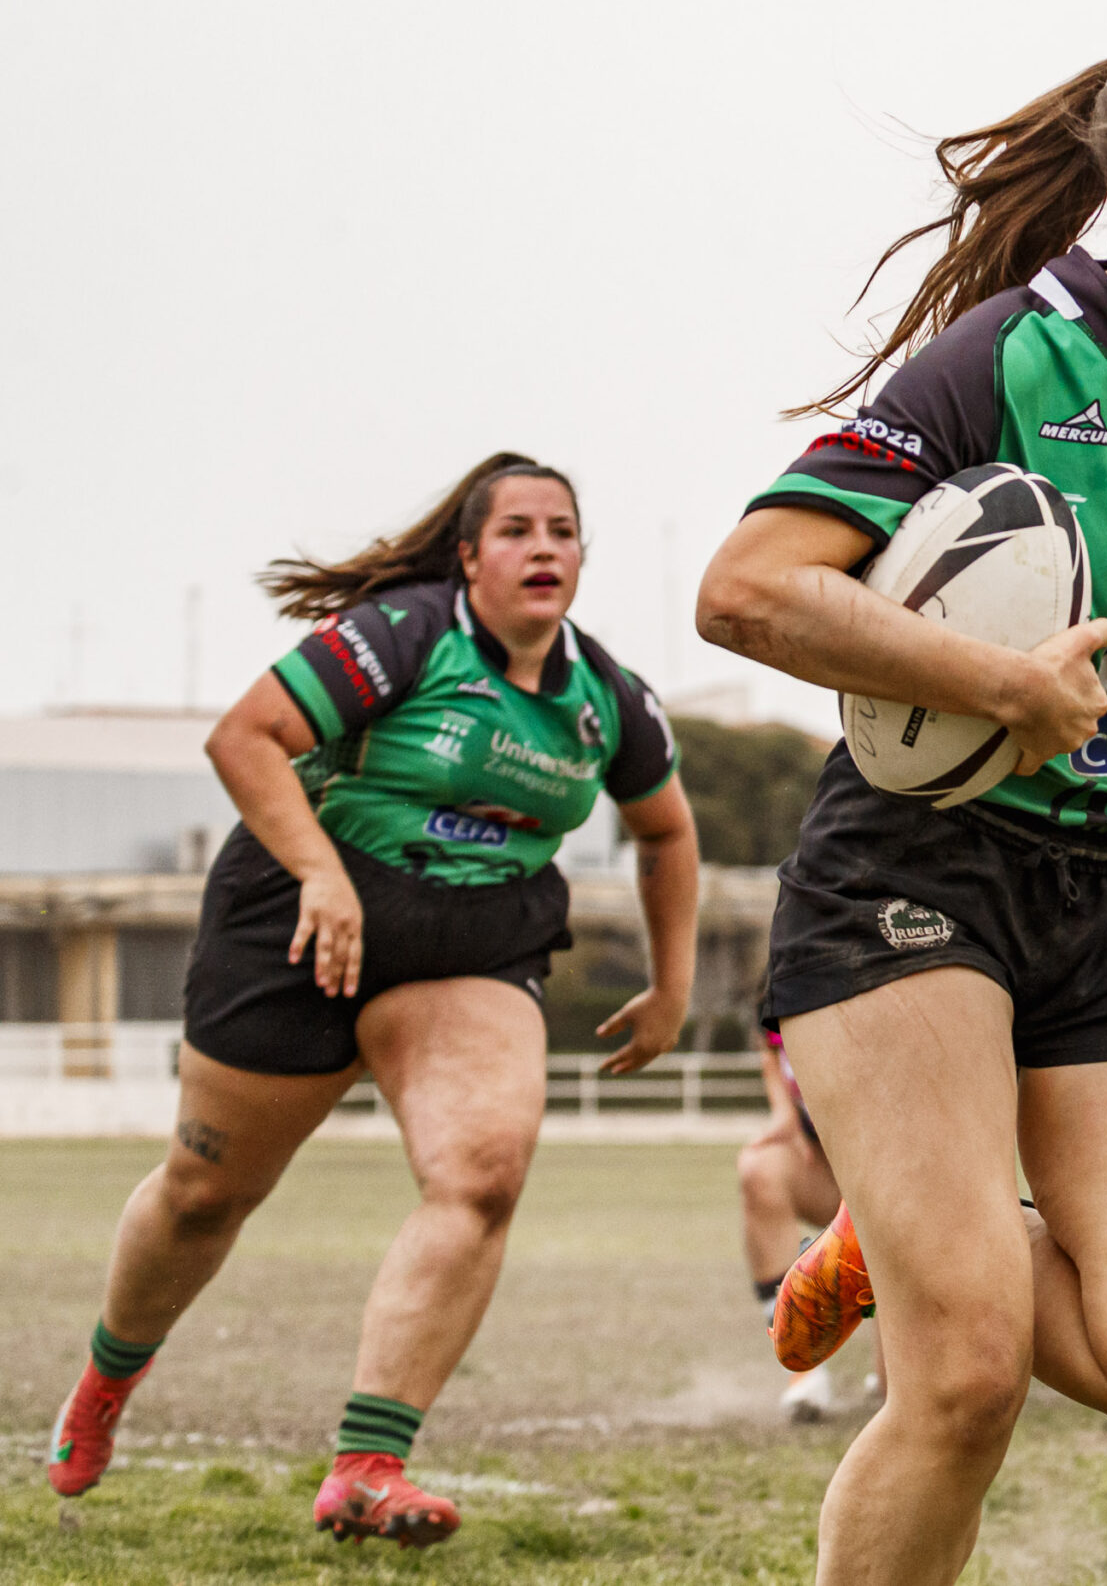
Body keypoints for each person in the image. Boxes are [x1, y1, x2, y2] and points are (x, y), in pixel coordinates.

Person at [694, 9, 1107, 1586]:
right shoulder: (1005, 356)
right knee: (970, 1370)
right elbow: (748, 589)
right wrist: (1001, 683)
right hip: (920, 871)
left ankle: (913, 1228)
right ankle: (943, 1247)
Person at [48, 455, 695, 1548]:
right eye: (518, 530)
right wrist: (319, 871)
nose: (544, 548)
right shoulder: (404, 635)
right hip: (301, 926)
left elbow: (665, 830)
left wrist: (673, 986)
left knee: (482, 1176)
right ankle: (107, 1381)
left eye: (564, 531)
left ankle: (368, 1464)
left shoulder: (607, 699)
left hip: (470, 944)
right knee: (208, 1193)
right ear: (469, 555)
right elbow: (243, 738)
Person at [738, 1030, 858, 1420]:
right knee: (759, 1169)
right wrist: (785, 1117)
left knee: (902, 1391)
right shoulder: (777, 1007)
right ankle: (802, 1364)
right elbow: (769, 1043)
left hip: (900, 1176)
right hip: (833, 1177)